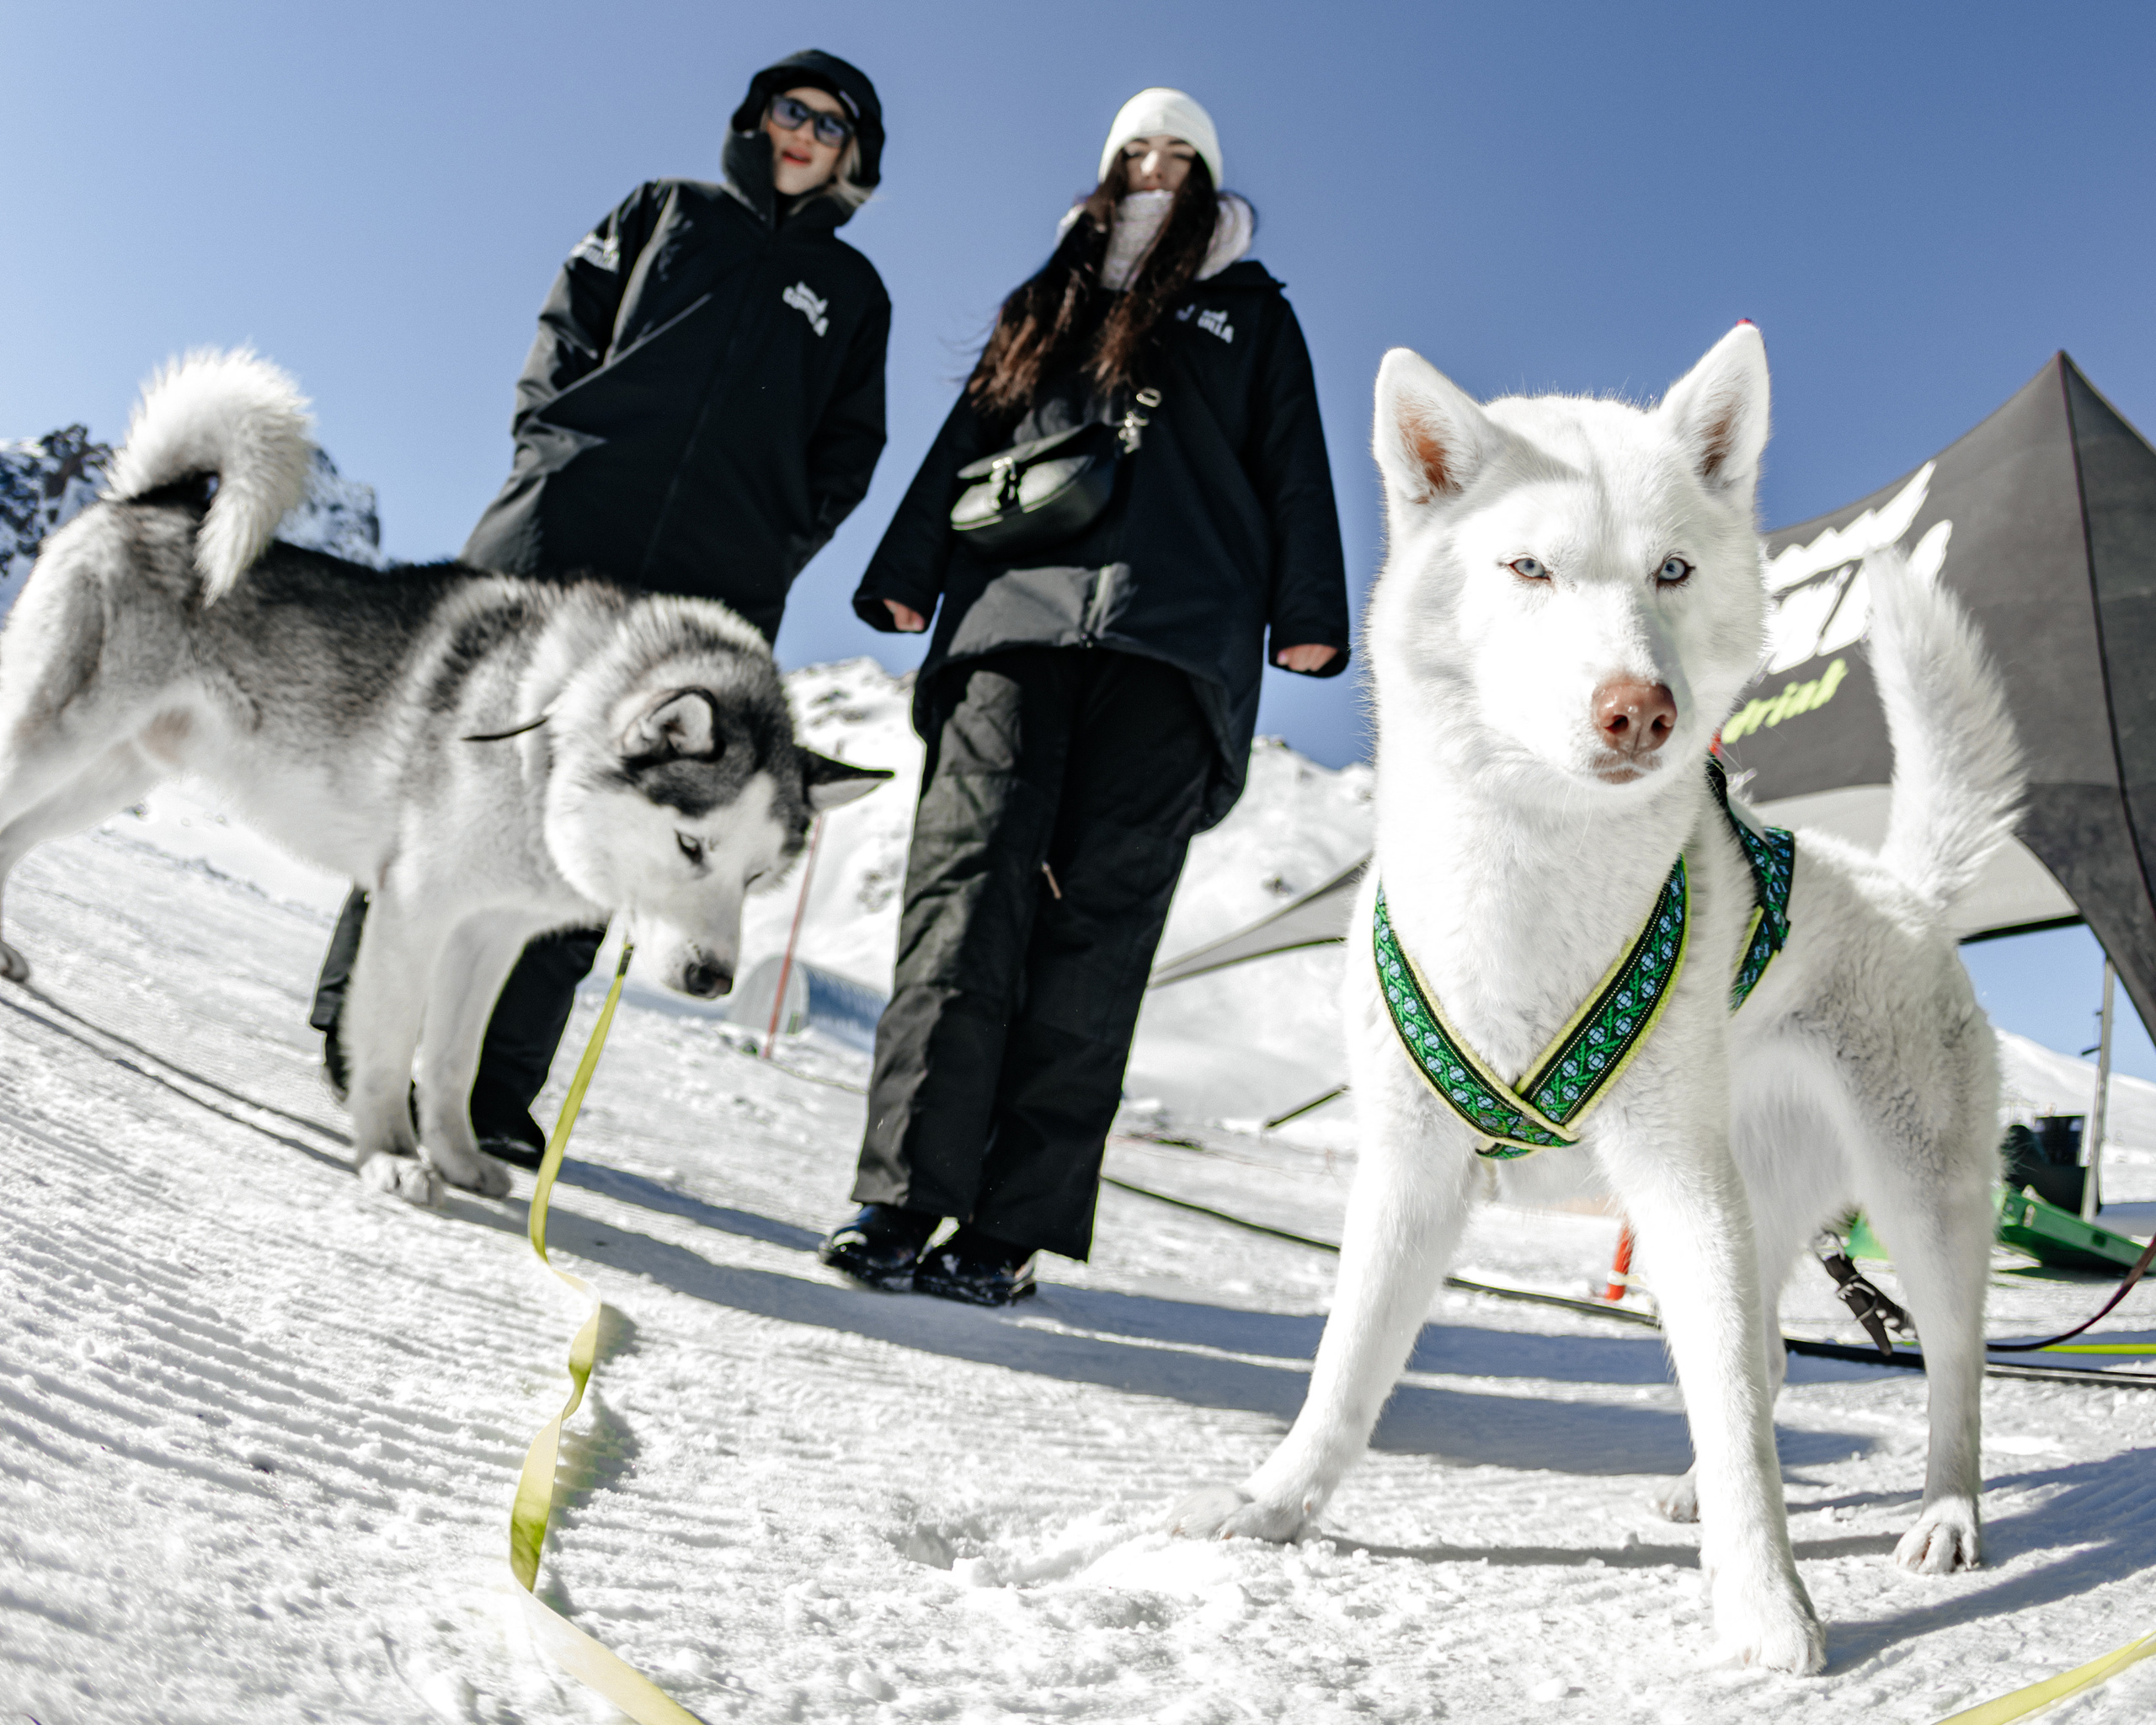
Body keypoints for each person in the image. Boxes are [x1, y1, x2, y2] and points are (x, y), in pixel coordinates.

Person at [309, 49, 891, 1166]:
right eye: (789, 108)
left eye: (830, 122)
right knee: (449, 791)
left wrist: (771, 540)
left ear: (853, 154)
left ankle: (493, 1090)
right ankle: (358, 1030)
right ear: (757, 117)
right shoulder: (666, 211)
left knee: (615, 837)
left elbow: (846, 453)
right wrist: (555, 447)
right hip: (563, 532)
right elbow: (565, 327)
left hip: (705, 586)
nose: (803, 131)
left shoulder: (855, 298)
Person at [817, 88, 1349, 1305]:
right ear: (1108, 171)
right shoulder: (1047, 300)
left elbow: (1296, 472)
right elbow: (968, 435)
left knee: (1095, 936)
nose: (1156, 172)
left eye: (1179, 158)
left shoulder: (1254, 315)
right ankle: (899, 1199)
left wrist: (1310, 618)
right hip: (1014, 621)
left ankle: (1007, 1232)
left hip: (1178, 641)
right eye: (1135, 154)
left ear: (1209, 184)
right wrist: (907, 573)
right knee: (962, 904)